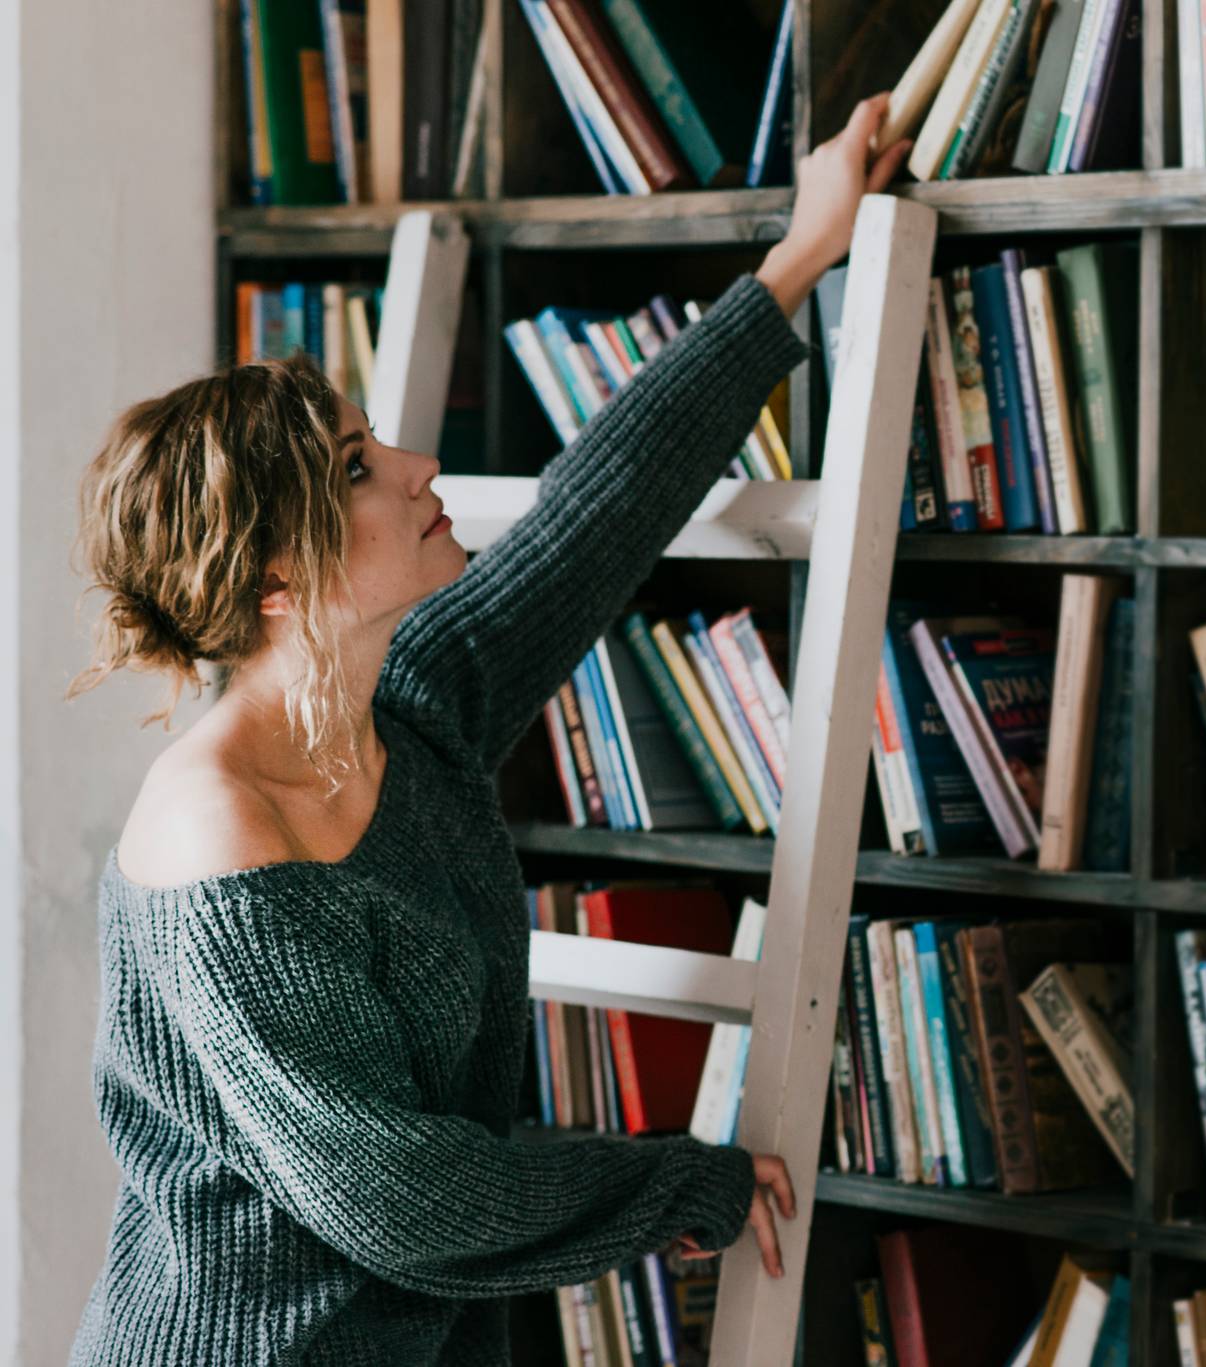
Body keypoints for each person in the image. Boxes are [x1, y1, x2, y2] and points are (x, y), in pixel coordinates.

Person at [61, 90, 911, 1367]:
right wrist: (675, 1182)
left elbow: (599, 510)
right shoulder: (218, 839)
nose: (411, 463)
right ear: (277, 581)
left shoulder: (408, 704)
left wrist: (797, 259)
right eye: (356, 468)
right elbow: (401, 1197)